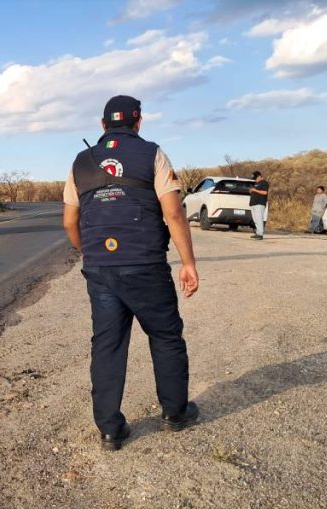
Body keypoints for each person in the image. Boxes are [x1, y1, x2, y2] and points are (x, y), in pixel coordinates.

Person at [62, 95, 200, 452]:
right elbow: (173, 214)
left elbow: (70, 220)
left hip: (100, 269)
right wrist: (188, 262)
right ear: (138, 122)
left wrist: (88, 252)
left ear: (103, 124)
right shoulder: (153, 153)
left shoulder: (81, 161)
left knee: (107, 344)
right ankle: (175, 413)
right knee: (166, 336)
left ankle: (110, 430)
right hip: (146, 265)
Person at [249, 170, 269, 240]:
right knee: (255, 219)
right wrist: (251, 191)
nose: (255, 180)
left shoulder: (264, 183)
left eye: (255, 178)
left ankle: (260, 234)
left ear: (259, 176)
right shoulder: (256, 183)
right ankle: (258, 232)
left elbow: (265, 192)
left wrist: (255, 190)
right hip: (253, 204)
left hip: (259, 203)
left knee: (259, 219)